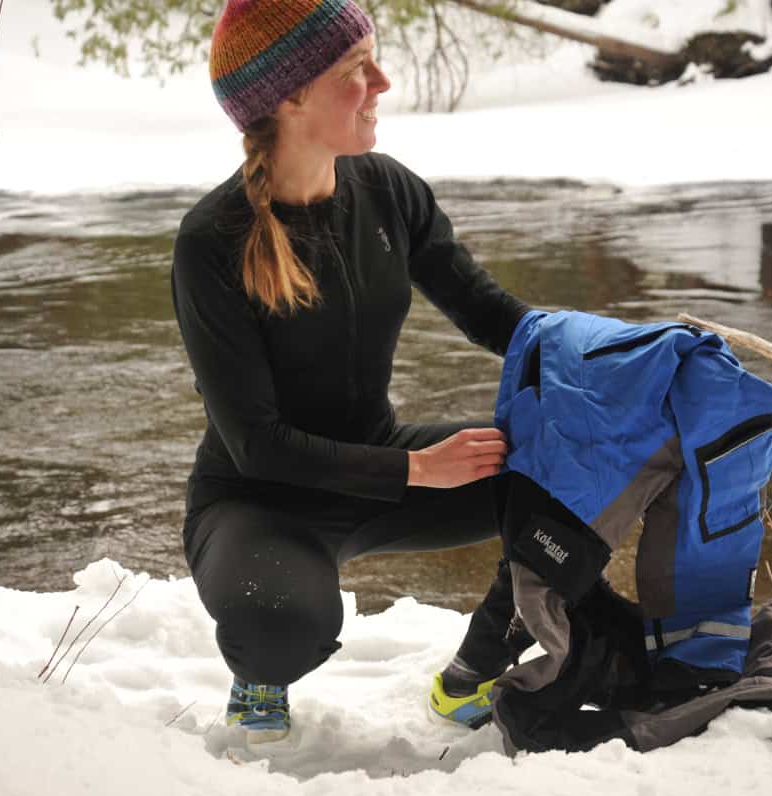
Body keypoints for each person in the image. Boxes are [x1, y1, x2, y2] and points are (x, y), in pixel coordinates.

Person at [171, 0, 531, 744]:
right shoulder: (213, 241)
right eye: (356, 70)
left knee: (576, 473)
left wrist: (606, 355)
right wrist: (418, 470)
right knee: (281, 623)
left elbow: (489, 312)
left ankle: (476, 669)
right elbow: (257, 444)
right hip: (256, 500)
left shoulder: (387, 191)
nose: (384, 83)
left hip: (384, 465)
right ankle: (260, 672)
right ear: (292, 97)